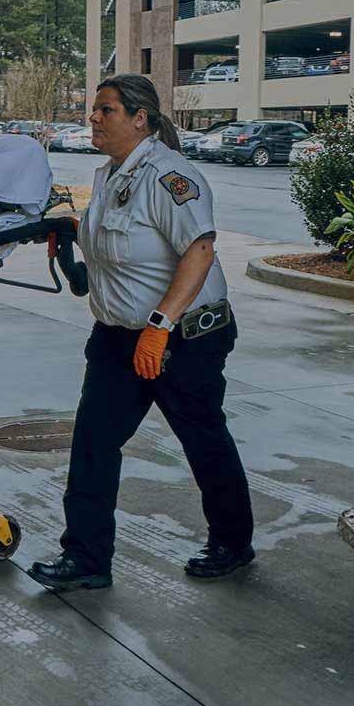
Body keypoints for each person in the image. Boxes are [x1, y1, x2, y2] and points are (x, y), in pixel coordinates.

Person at [26, 74, 256, 592]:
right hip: (117, 337)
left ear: (139, 118)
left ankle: (233, 542)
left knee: (202, 438)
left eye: (105, 110)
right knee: (93, 442)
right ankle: (86, 558)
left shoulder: (171, 176)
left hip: (183, 338)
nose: (93, 118)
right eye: (93, 110)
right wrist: (68, 232)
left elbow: (199, 250)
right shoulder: (110, 174)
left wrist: (159, 326)